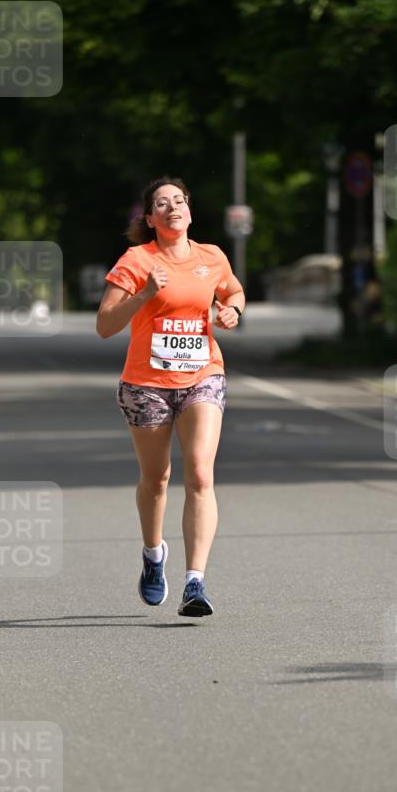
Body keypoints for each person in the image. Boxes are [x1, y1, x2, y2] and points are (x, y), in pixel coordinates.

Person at [97, 176, 245, 617]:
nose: (172, 207)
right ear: (150, 218)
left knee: (200, 474)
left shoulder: (212, 256)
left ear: (190, 212)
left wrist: (231, 310)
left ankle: (195, 582)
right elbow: (105, 325)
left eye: (179, 200)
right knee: (156, 478)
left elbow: (233, 289)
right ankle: (152, 553)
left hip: (203, 375)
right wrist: (144, 293)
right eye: (161, 203)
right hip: (146, 385)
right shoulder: (136, 260)